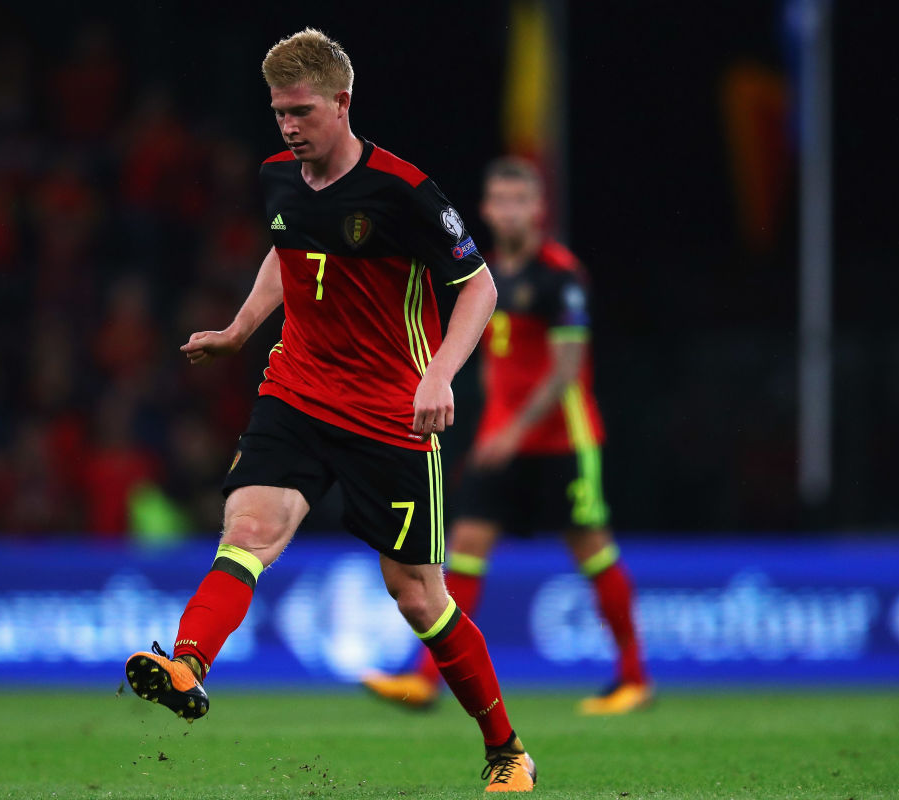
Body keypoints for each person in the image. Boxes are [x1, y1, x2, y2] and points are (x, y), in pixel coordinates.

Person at [125, 29, 537, 793]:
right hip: (298, 392)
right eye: (279, 113)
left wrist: (440, 374)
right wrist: (241, 330)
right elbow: (286, 252)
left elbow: (478, 285)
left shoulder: (403, 192)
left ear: (342, 104)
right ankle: (187, 665)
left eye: (302, 112)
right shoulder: (278, 178)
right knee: (247, 532)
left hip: (390, 413)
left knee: (418, 595)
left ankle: (506, 749)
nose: (288, 127)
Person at [362, 157, 652, 715]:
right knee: (464, 550)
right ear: (486, 210)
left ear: (539, 209)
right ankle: (425, 678)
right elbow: (496, 370)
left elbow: (566, 371)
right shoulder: (487, 277)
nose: (510, 211)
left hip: (564, 443)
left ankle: (634, 678)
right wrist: (493, 429)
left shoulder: (560, 276)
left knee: (592, 550)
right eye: (501, 200)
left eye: (521, 200)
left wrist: (512, 432)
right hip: (501, 443)